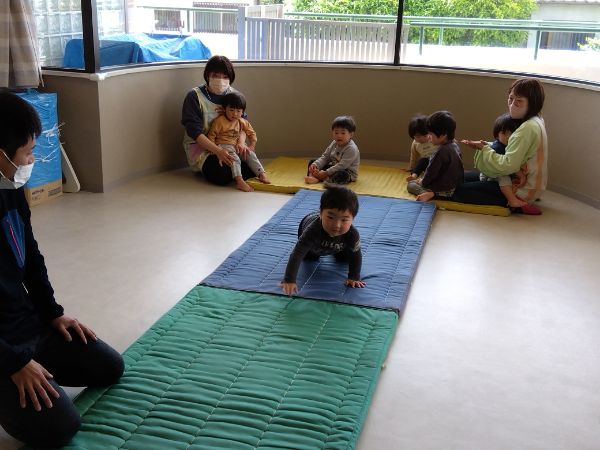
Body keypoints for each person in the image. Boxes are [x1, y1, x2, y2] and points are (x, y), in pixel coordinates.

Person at [0, 92, 124, 448]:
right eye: (26, 153)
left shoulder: (8, 187)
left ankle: (34, 365)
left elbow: (31, 257)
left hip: (23, 323)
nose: (31, 160)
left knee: (109, 367)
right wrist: (13, 362)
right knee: (59, 428)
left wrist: (53, 314)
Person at [455, 78, 548, 215]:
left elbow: (507, 166)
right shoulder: (536, 120)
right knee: (461, 177)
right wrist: (486, 145)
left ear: (532, 103)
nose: (512, 104)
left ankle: (514, 203)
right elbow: (512, 150)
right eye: (511, 98)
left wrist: (485, 149)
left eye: (519, 101)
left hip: (519, 189)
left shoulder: (527, 129)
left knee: (459, 190)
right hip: (527, 184)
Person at [181, 55, 255, 186]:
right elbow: (194, 132)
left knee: (252, 167)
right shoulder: (194, 96)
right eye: (216, 75)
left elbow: (243, 124)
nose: (220, 80)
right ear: (207, 75)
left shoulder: (234, 95)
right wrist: (218, 151)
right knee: (222, 174)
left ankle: (237, 170)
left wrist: (241, 143)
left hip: (230, 144)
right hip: (203, 147)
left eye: (225, 77)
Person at [280, 185, 365, 296]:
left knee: (345, 258)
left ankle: (336, 249)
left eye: (344, 220)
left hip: (337, 245)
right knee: (310, 258)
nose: (336, 225)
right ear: (320, 213)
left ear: (353, 218)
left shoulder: (352, 234)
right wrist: (289, 280)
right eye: (330, 217)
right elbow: (297, 254)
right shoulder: (312, 231)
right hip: (313, 241)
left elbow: (356, 255)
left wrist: (354, 277)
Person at [206, 92, 270, 192]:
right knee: (235, 159)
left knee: (250, 154)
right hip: (224, 145)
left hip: (236, 145)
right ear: (225, 109)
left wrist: (252, 145)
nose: (235, 114)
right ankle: (239, 180)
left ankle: (261, 173)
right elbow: (211, 135)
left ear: (243, 112)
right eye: (231, 110)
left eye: (238, 111)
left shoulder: (242, 121)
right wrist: (214, 150)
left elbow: (252, 133)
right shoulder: (220, 121)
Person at [406, 111, 464, 202]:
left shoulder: (439, 152)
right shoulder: (454, 145)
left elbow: (431, 172)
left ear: (442, 135)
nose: (429, 137)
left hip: (443, 188)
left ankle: (432, 194)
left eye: (431, 134)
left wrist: (422, 182)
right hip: (455, 183)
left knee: (411, 185)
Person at [476, 113, 526, 208]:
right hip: (490, 176)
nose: (508, 137)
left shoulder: (508, 146)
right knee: (504, 178)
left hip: (491, 173)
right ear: (497, 135)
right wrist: (521, 176)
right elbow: (510, 165)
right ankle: (512, 200)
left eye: (511, 134)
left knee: (510, 178)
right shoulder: (499, 148)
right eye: (504, 133)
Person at [305, 116, 360, 185]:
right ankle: (313, 176)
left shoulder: (351, 148)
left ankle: (323, 178)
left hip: (346, 171)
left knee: (342, 174)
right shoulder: (334, 143)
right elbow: (325, 157)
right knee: (312, 162)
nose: (339, 136)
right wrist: (315, 165)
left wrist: (326, 173)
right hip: (333, 168)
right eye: (336, 133)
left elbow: (342, 166)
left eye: (343, 133)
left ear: (351, 134)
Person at [405, 114, 437, 182]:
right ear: (413, 136)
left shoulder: (434, 138)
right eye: (418, 137)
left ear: (429, 132)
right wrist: (411, 168)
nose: (422, 139)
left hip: (438, 162)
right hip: (427, 164)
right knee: (422, 161)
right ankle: (414, 176)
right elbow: (414, 157)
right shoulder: (415, 144)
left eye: (425, 136)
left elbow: (446, 142)